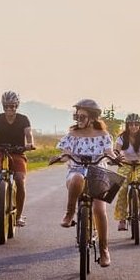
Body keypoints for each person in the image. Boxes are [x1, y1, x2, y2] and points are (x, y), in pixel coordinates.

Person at [49, 99, 118, 267]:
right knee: (77, 178)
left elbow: (109, 153)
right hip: (76, 171)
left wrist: (116, 159)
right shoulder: (71, 135)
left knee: (99, 210)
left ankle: (103, 249)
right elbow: (66, 154)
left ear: (93, 118)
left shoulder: (104, 136)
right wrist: (60, 158)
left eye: (82, 116)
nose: (78, 120)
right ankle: (70, 212)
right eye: (77, 116)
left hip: (99, 173)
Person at [0, 91, 35, 226]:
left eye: (13, 106)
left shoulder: (23, 119)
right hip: (0, 151)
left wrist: (29, 144)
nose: (10, 109)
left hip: (18, 152)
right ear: (3, 106)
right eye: (7, 106)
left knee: (20, 180)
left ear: (17, 106)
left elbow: (28, 133)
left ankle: (19, 216)